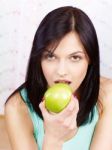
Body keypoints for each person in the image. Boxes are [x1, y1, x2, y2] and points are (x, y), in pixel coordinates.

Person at [4, 6, 112, 150]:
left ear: (90, 59)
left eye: (75, 57)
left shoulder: (107, 94)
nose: (61, 71)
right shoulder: (18, 107)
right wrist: (54, 138)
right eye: (50, 56)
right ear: (39, 58)